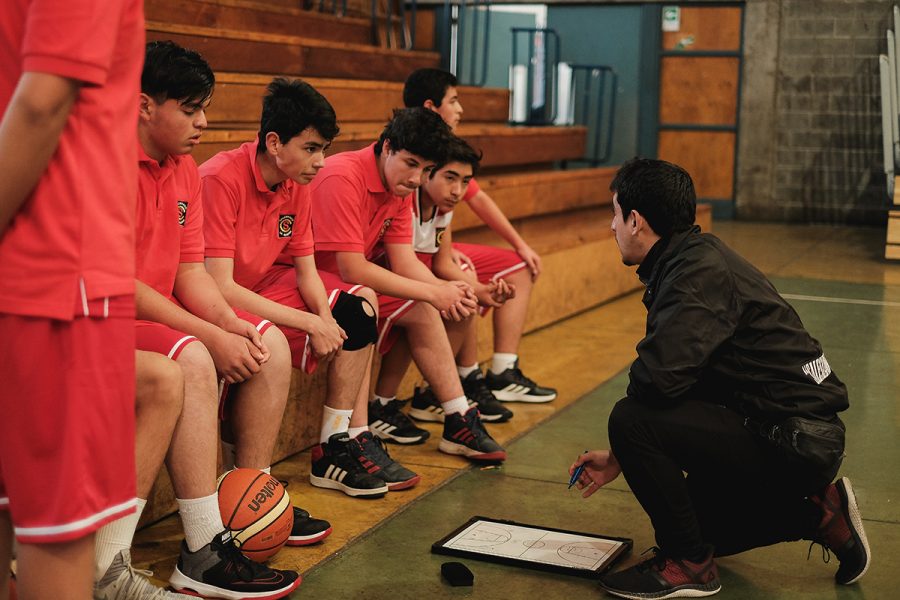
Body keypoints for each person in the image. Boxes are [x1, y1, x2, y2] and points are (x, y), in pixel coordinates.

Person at [569, 158, 870, 599]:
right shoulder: (691, 258)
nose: (610, 226)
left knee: (630, 417)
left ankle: (689, 566)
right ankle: (822, 515)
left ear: (636, 221)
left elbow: (657, 381)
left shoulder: (695, 274)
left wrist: (623, 445)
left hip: (794, 436)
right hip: (791, 430)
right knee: (702, 528)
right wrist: (618, 457)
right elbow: (686, 376)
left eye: (615, 214)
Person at [134, 41, 302, 599]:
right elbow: (115, 282)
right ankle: (203, 549)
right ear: (142, 106)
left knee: (254, 339)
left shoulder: (182, 168)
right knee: (196, 357)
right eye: (190, 108)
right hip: (101, 312)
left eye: (204, 108)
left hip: (148, 311)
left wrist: (229, 323)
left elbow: (189, 273)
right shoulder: (105, 163)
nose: (203, 123)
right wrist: (206, 333)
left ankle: (246, 498)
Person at [201, 77, 409, 497]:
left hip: (263, 286)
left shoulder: (297, 183)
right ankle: (248, 489)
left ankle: (334, 443)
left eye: (324, 150)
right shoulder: (220, 179)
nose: (320, 161)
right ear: (275, 143)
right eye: (311, 149)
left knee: (358, 308)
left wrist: (326, 318)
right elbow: (219, 286)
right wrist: (309, 322)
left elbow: (307, 271)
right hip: (216, 296)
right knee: (271, 345)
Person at [0, 1, 144, 599]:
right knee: (53, 535)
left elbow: (36, 98)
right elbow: (38, 102)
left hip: (45, 270)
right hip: (56, 271)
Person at [311, 107, 507, 463]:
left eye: (426, 170)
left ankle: (458, 416)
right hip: (313, 280)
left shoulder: (399, 188)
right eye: (411, 163)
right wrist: (434, 290)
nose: (418, 179)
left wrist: (450, 290)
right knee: (389, 300)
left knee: (427, 304)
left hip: (348, 282)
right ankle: (355, 433)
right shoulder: (344, 175)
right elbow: (352, 268)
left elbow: (404, 262)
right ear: (387, 147)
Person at [402, 68, 557, 404]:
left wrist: (519, 244)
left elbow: (476, 200)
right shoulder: (411, 158)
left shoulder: (450, 163)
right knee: (463, 279)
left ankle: (502, 369)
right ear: (431, 107)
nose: (460, 110)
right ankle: (464, 377)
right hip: (402, 258)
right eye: (454, 101)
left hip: (430, 247)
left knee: (516, 265)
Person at [374, 136, 515, 427]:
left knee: (463, 297)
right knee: (423, 305)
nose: (458, 191)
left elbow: (443, 263)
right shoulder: (406, 203)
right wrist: (445, 291)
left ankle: (433, 393)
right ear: (427, 174)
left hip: (413, 279)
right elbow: (400, 265)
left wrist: (481, 290)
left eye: (465, 182)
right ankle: (382, 404)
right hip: (384, 280)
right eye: (451, 178)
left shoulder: (443, 209)